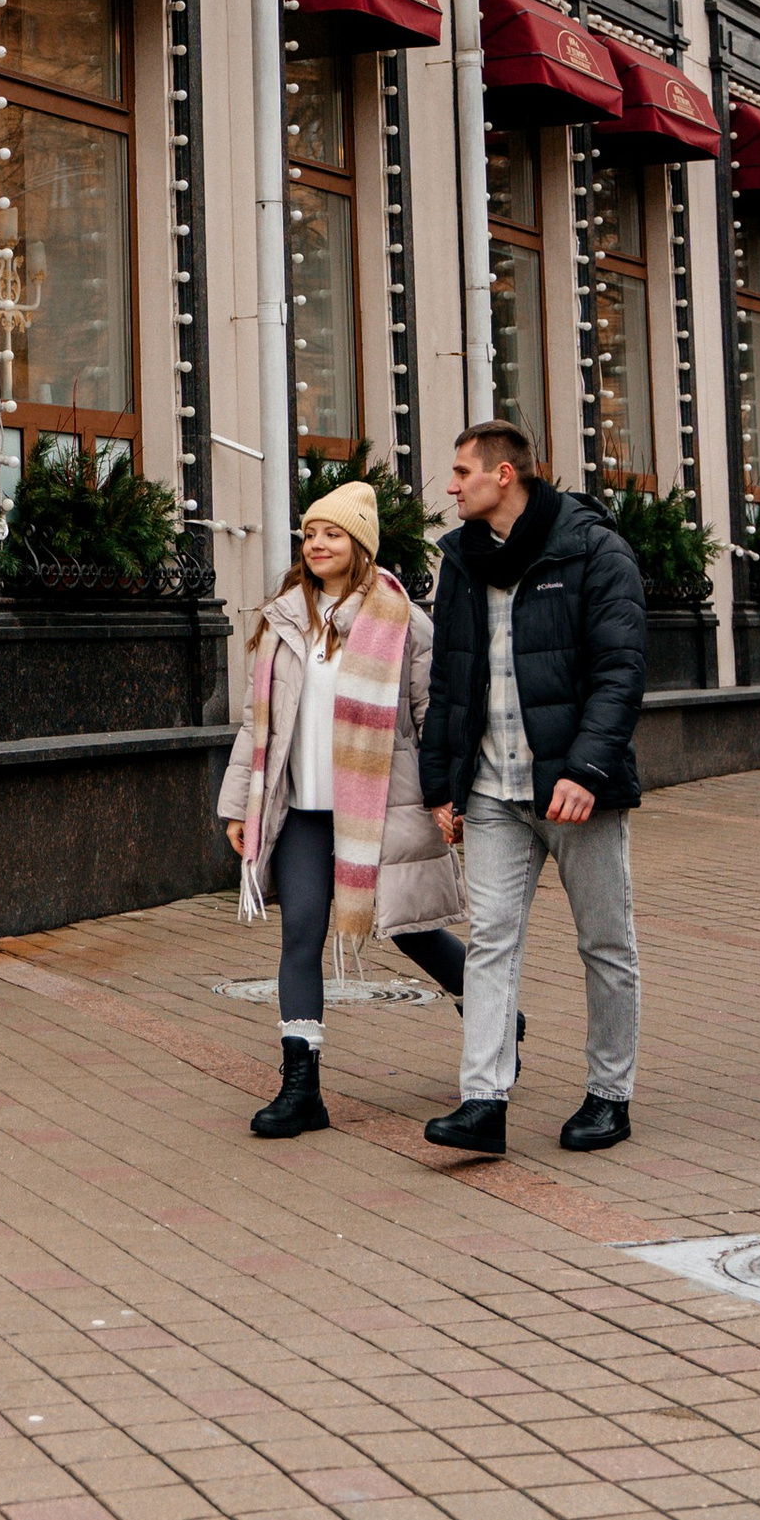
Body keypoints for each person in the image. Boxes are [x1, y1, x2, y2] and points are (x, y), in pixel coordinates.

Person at [218, 478, 473, 1140]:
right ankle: (301, 1088)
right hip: (302, 810)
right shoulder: (283, 619)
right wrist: (238, 805)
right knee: (301, 933)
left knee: (411, 929)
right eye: (310, 533)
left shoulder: (402, 621)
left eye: (332, 533)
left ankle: (489, 1010)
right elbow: (256, 723)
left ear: (360, 543)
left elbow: (433, 716)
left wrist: (446, 796)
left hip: (381, 808)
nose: (317, 544)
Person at [418, 419, 645, 1159]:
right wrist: (441, 785)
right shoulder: (461, 560)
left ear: (503, 475)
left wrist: (585, 770)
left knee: (604, 944)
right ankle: (483, 1101)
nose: (451, 486)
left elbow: (621, 671)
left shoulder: (592, 549)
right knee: (490, 941)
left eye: (462, 472)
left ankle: (609, 1094)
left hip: (574, 792)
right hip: (491, 789)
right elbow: (448, 681)